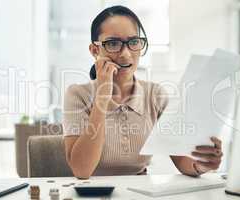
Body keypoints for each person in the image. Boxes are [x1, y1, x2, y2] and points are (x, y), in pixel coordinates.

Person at [63, 5, 223, 179]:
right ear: (95, 50)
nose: (125, 54)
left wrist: (202, 164)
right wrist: (102, 97)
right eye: (113, 44)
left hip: (139, 191)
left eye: (133, 42)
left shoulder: (155, 95)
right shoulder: (77, 95)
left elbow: (182, 160)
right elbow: (81, 170)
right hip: (92, 192)